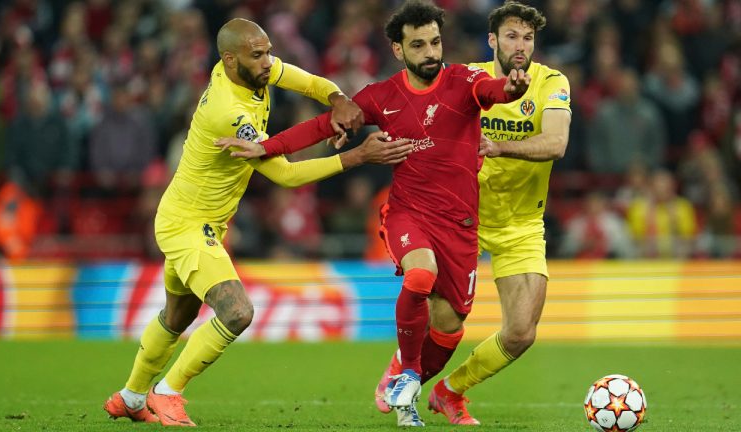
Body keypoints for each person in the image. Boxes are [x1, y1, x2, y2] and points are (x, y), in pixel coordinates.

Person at [220, 2, 529, 426]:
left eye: (435, 42)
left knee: (450, 328)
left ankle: (407, 373)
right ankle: (408, 370)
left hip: (459, 225)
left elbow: (497, 92)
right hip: (408, 213)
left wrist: (514, 88)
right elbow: (324, 125)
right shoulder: (382, 96)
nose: (430, 52)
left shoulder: (466, 80)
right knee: (421, 276)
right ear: (398, 50)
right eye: (418, 45)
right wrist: (267, 146)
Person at [102, 18, 413, 427]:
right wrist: (356, 157)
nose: (269, 62)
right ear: (230, 60)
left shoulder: (248, 71)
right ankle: (168, 392)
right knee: (237, 313)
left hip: (195, 219)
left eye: (268, 52)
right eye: (258, 55)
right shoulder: (228, 112)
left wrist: (337, 97)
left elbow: (306, 82)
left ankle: (130, 396)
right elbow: (284, 174)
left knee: (176, 316)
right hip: (188, 225)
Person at [424, 1, 572, 425]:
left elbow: (556, 144)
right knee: (444, 323)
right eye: (511, 36)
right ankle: (403, 368)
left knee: (522, 332)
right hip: (462, 217)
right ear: (492, 40)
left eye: (527, 37)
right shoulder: (468, 80)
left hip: (521, 225)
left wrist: (498, 146)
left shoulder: (552, 82)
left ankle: (450, 390)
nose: (520, 45)